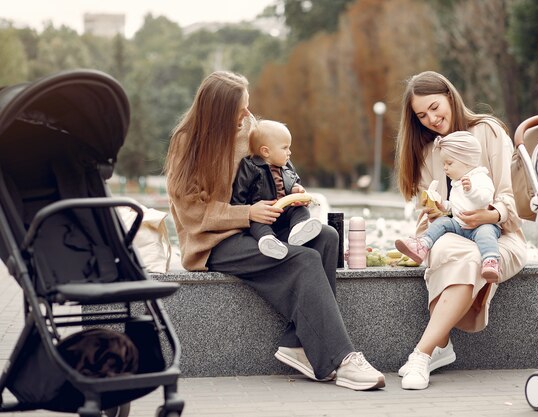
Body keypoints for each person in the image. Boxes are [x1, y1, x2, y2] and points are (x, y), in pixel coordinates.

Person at [164, 71, 385, 391]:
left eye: (247, 108)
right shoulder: (186, 143)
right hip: (213, 242)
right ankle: (341, 359)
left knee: (325, 238)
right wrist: (247, 213)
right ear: (218, 112)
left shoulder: (249, 129)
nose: (247, 116)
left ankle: (297, 344)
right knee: (303, 260)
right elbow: (193, 212)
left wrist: (291, 191)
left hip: (258, 224)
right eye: (240, 111)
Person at [393, 71, 526, 390]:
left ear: (450, 97)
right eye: (422, 115)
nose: (431, 119)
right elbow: (431, 215)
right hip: (450, 233)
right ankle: (437, 346)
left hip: (497, 235)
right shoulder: (427, 151)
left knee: (471, 258)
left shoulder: (488, 132)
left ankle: (423, 354)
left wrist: (489, 213)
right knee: (452, 251)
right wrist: (433, 210)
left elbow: (510, 198)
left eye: (435, 107)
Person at [396, 130, 502, 282]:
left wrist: (471, 190)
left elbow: (485, 199)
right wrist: (443, 206)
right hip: (460, 225)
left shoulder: (480, 178)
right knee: (443, 222)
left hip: (480, 225)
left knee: (486, 233)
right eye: (443, 164)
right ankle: (422, 245)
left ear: (467, 161)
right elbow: (456, 206)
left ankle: (490, 261)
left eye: (449, 163)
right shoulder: (458, 182)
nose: (445, 168)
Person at [231, 119, 322, 259]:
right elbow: (239, 194)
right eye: (285, 148)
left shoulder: (286, 166)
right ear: (266, 151)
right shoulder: (250, 167)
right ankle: (268, 241)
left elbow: (293, 181)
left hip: (284, 211)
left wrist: (296, 189)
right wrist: (248, 209)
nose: (289, 152)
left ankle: (299, 229)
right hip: (262, 214)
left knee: (300, 209)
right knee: (257, 224)